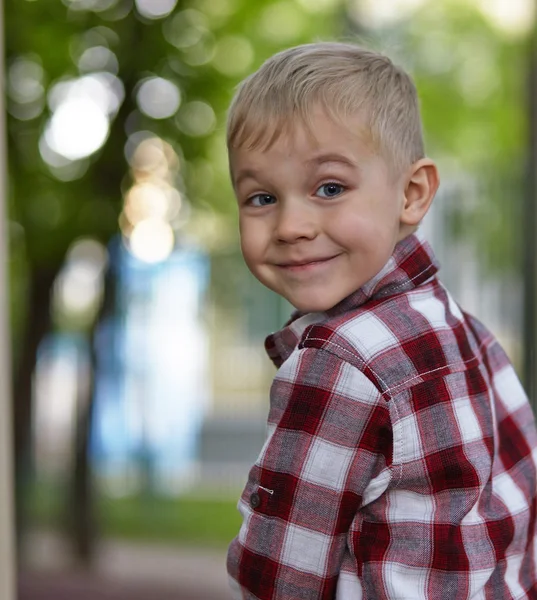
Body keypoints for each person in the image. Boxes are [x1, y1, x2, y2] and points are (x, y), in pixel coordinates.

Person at [225, 42, 537, 599]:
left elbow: (281, 576)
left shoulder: (338, 360)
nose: (292, 224)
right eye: (261, 197)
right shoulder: (465, 334)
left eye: (330, 188)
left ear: (411, 194)